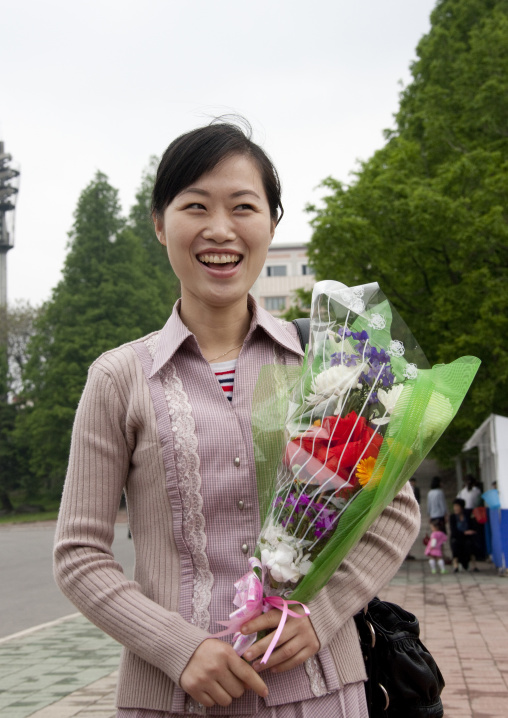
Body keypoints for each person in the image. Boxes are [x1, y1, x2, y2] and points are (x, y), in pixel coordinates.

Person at [53, 120, 420, 717]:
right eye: (194, 206)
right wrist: (179, 648)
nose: (219, 229)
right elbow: (79, 554)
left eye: (243, 206)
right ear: (159, 223)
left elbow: (395, 509)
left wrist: (321, 615)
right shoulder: (118, 378)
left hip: (319, 691)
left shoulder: (331, 364)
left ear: (272, 223)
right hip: (169, 700)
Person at [449, 498, 477, 573]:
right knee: (455, 544)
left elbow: (473, 527)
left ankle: (474, 565)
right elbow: (453, 531)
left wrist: (470, 532)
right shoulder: (453, 517)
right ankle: (455, 566)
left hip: (467, 538)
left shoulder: (467, 516)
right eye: (454, 506)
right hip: (457, 537)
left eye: (457, 506)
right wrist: (464, 532)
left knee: (470, 544)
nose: (455, 508)